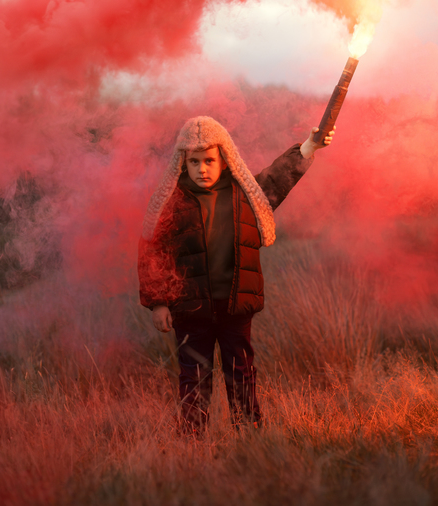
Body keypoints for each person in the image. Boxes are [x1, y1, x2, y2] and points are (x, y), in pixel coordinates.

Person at [138, 116, 334, 433]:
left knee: (240, 370)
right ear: (182, 163)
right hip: (190, 309)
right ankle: (192, 436)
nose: (202, 168)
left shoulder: (246, 194)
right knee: (193, 375)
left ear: (224, 158)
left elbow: (278, 179)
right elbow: (152, 252)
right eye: (195, 162)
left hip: (236, 304)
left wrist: (309, 146)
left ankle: (248, 432)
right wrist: (158, 302)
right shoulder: (171, 204)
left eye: (210, 160)